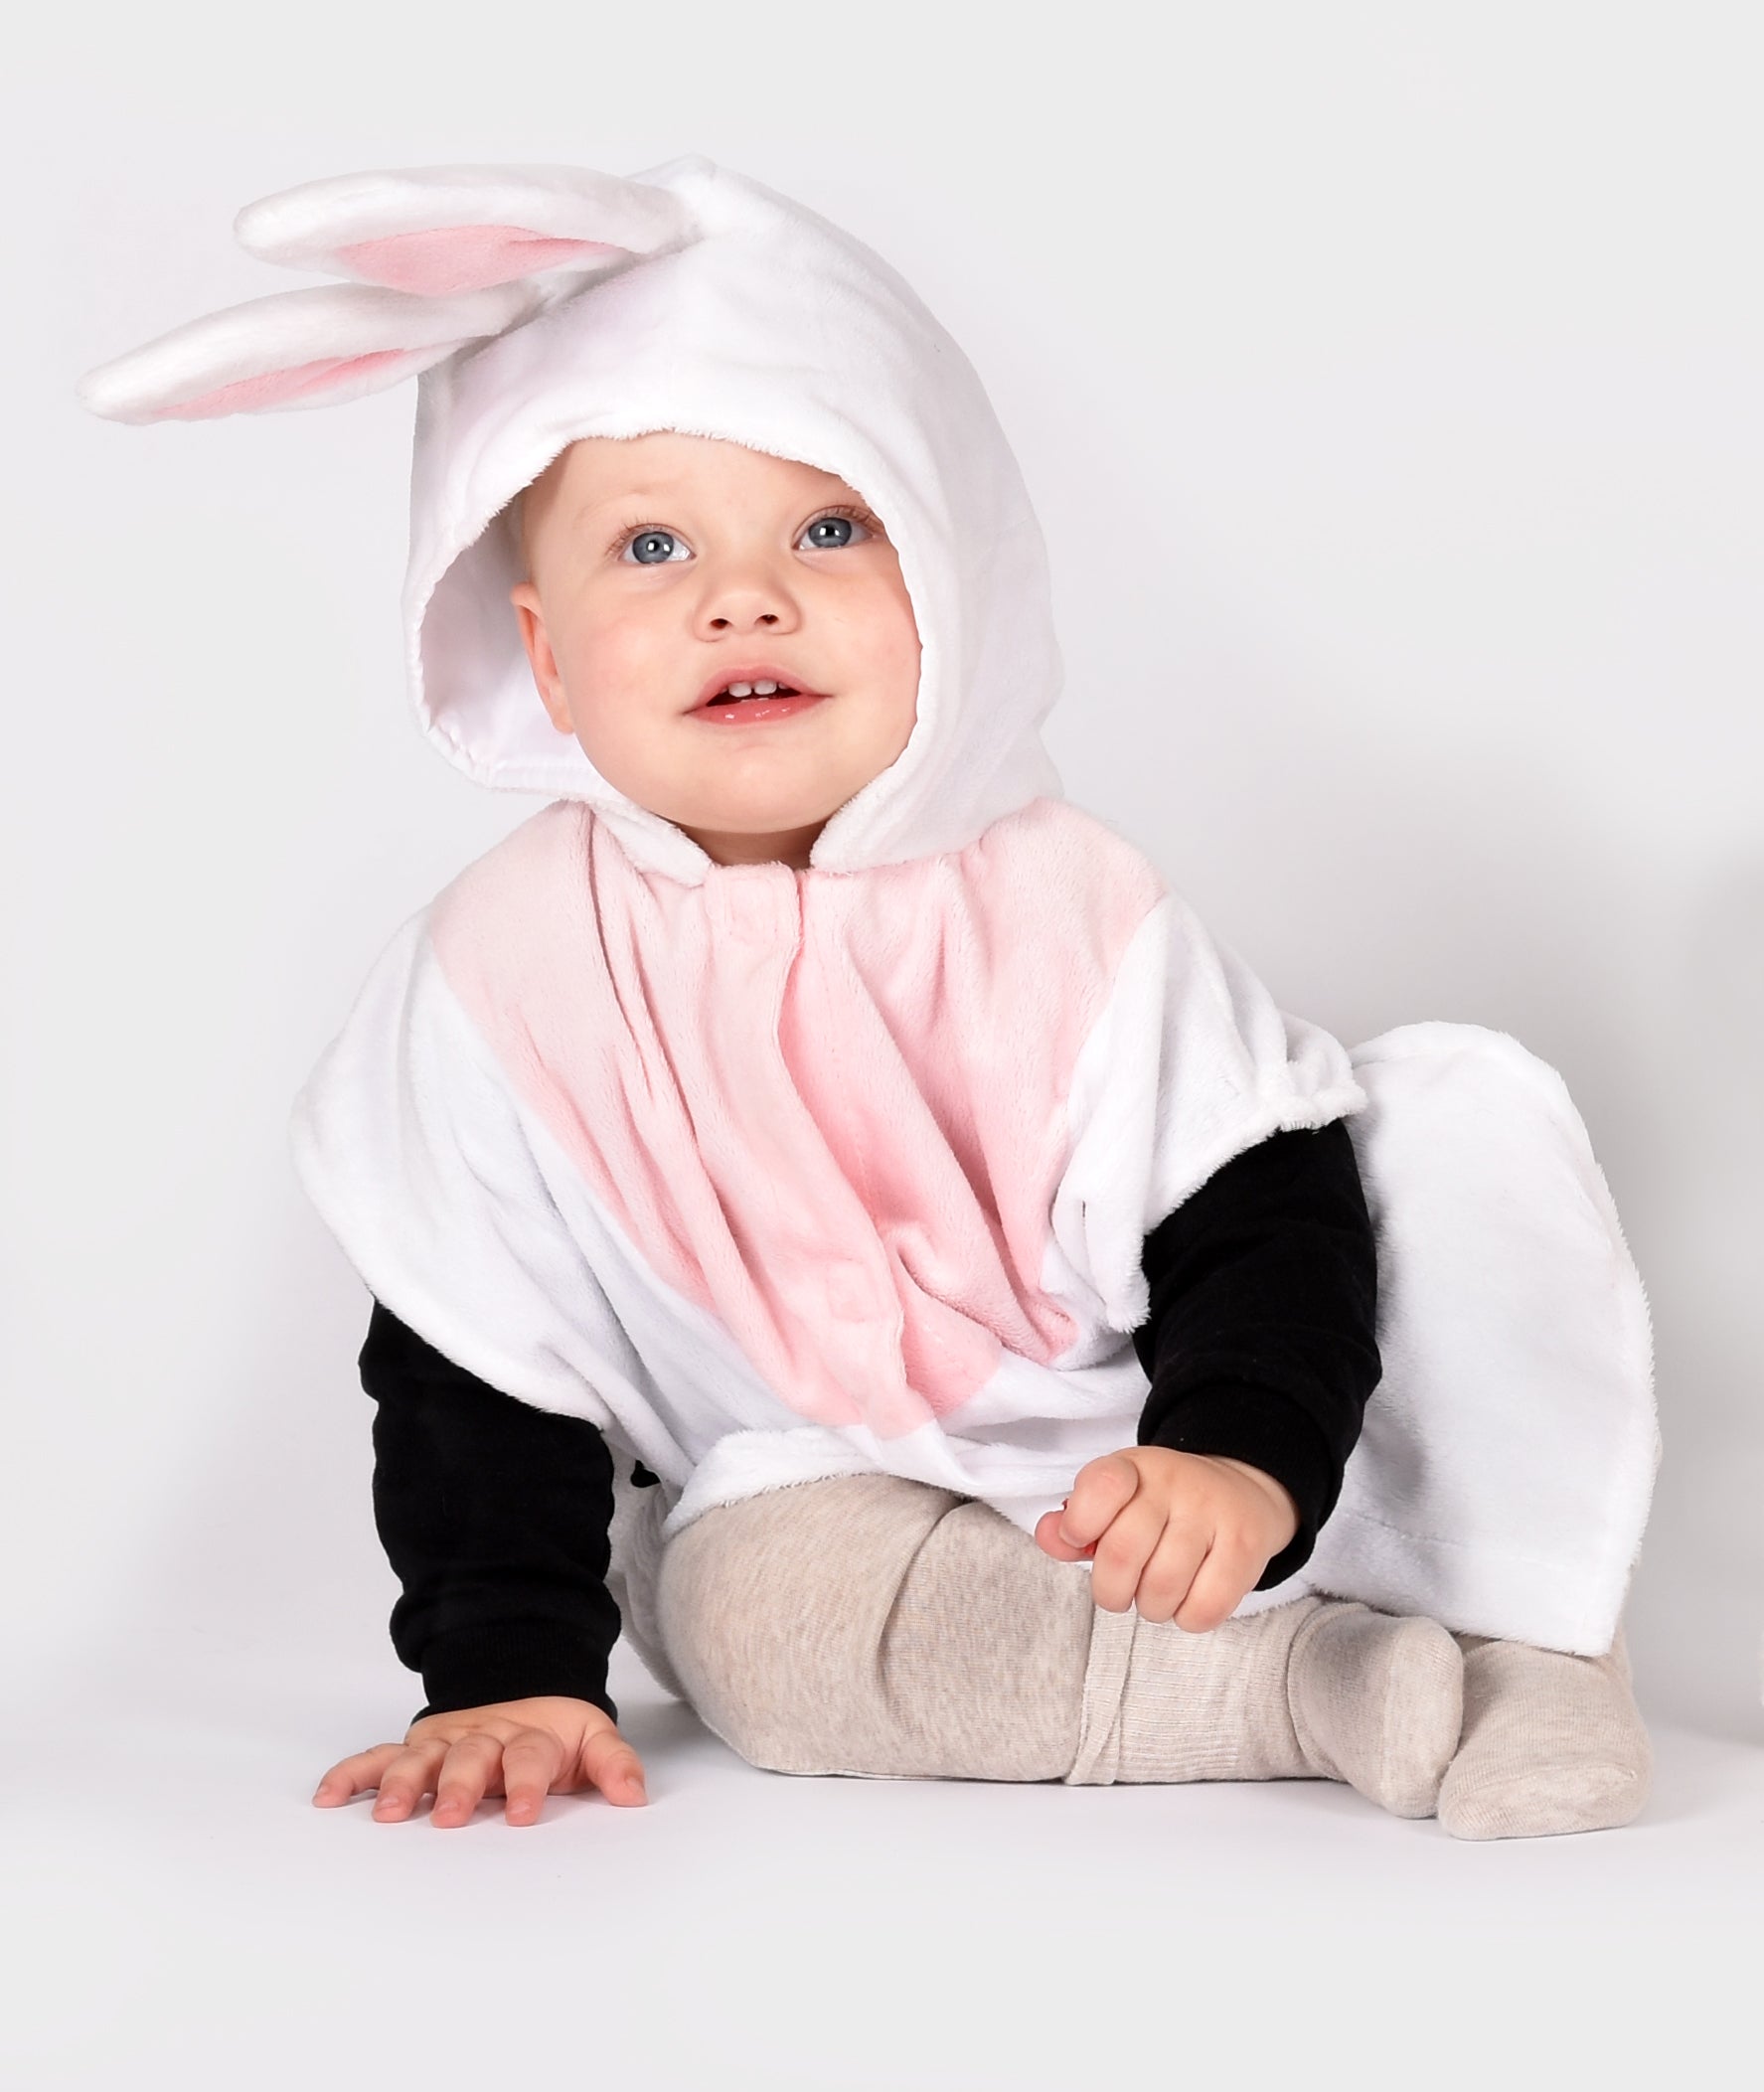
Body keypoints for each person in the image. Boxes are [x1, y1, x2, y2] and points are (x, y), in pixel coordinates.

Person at [77, 156, 1660, 1843]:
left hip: (1185, 1453)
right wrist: (507, 1666)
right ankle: (1309, 1691)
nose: (742, 596)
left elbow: (1254, 1214)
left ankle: (1530, 1643)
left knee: (1440, 1169)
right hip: (836, 1497)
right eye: (652, 546)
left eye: (830, 530)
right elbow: (475, 1355)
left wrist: (1239, 1455)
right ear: (543, 652)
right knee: (763, 1621)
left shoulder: (1069, 900)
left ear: (947, 580)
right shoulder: (494, 977)